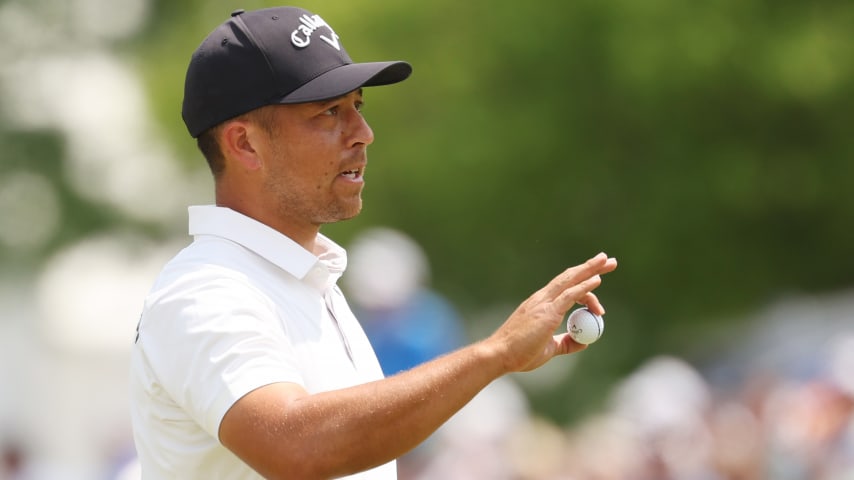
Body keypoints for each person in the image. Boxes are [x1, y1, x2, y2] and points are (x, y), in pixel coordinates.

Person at [129, 6, 618, 480]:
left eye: (357, 107)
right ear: (245, 144)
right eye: (329, 113)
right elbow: (295, 447)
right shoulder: (205, 291)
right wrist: (495, 355)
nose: (363, 133)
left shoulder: (308, 283)